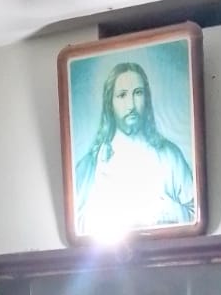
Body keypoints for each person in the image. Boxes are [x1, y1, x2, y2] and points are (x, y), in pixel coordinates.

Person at [75, 61, 195, 238]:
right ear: (110, 103)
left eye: (138, 93)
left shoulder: (170, 156)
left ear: (147, 98)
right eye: (122, 95)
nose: (131, 105)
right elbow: (77, 226)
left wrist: (165, 209)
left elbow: (194, 215)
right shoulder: (91, 164)